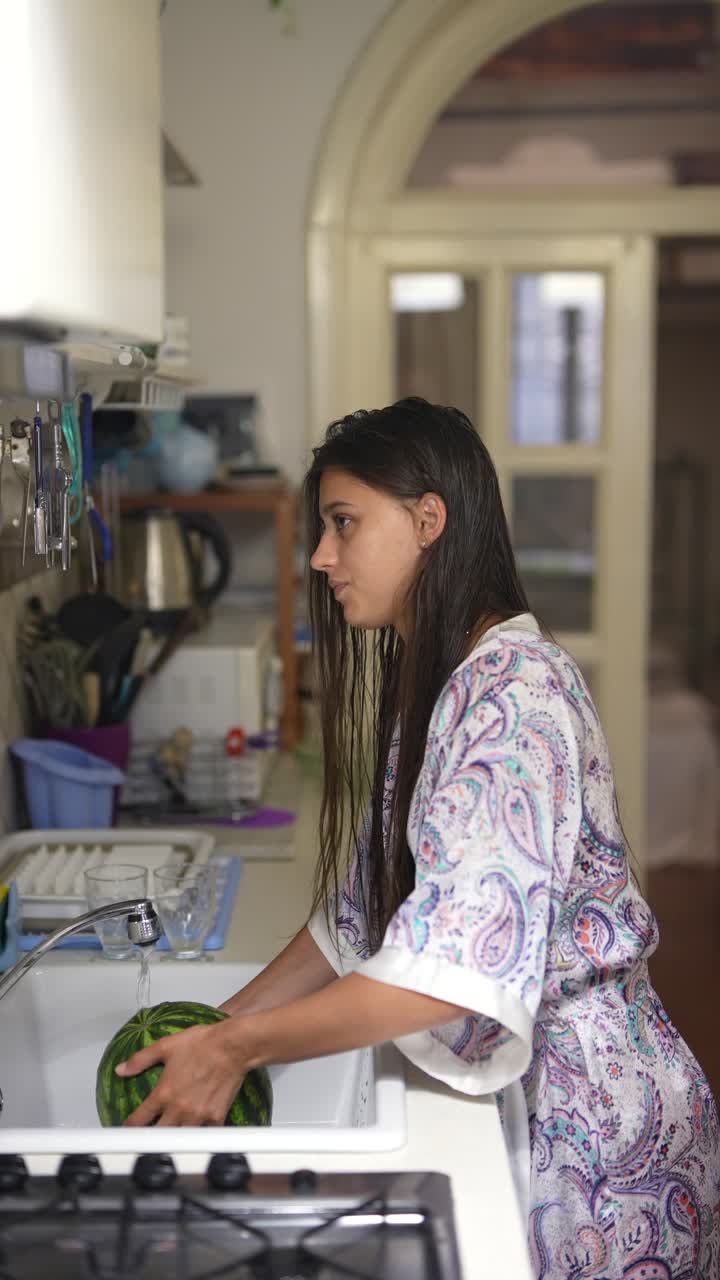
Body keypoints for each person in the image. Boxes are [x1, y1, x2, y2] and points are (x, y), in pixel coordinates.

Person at [118, 397, 719, 1278]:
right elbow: (360, 910)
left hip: (599, 1140)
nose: (322, 555)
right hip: (553, 1109)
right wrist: (219, 1021)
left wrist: (239, 1048)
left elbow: (453, 973)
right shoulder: (446, 682)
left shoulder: (514, 698)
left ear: (428, 519)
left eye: (343, 523)